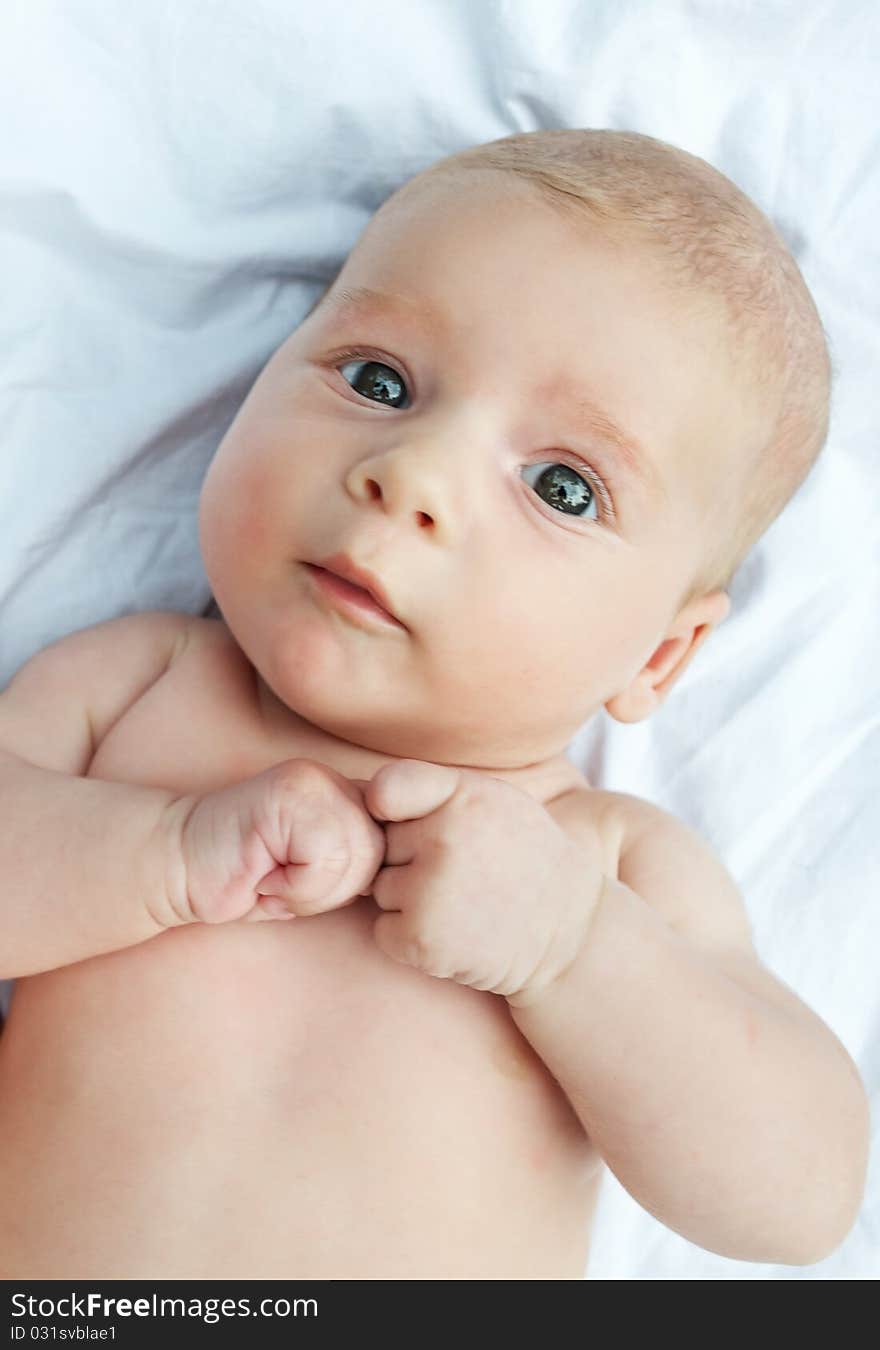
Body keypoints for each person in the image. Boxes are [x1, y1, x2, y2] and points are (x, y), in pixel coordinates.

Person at [0, 129, 868, 1279]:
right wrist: (160, 851)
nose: (410, 475)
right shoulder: (127, 686)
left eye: (562, 486)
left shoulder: (608, 869)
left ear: (658, 657)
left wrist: (567, 951)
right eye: (379, 380)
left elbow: (800, 1201)